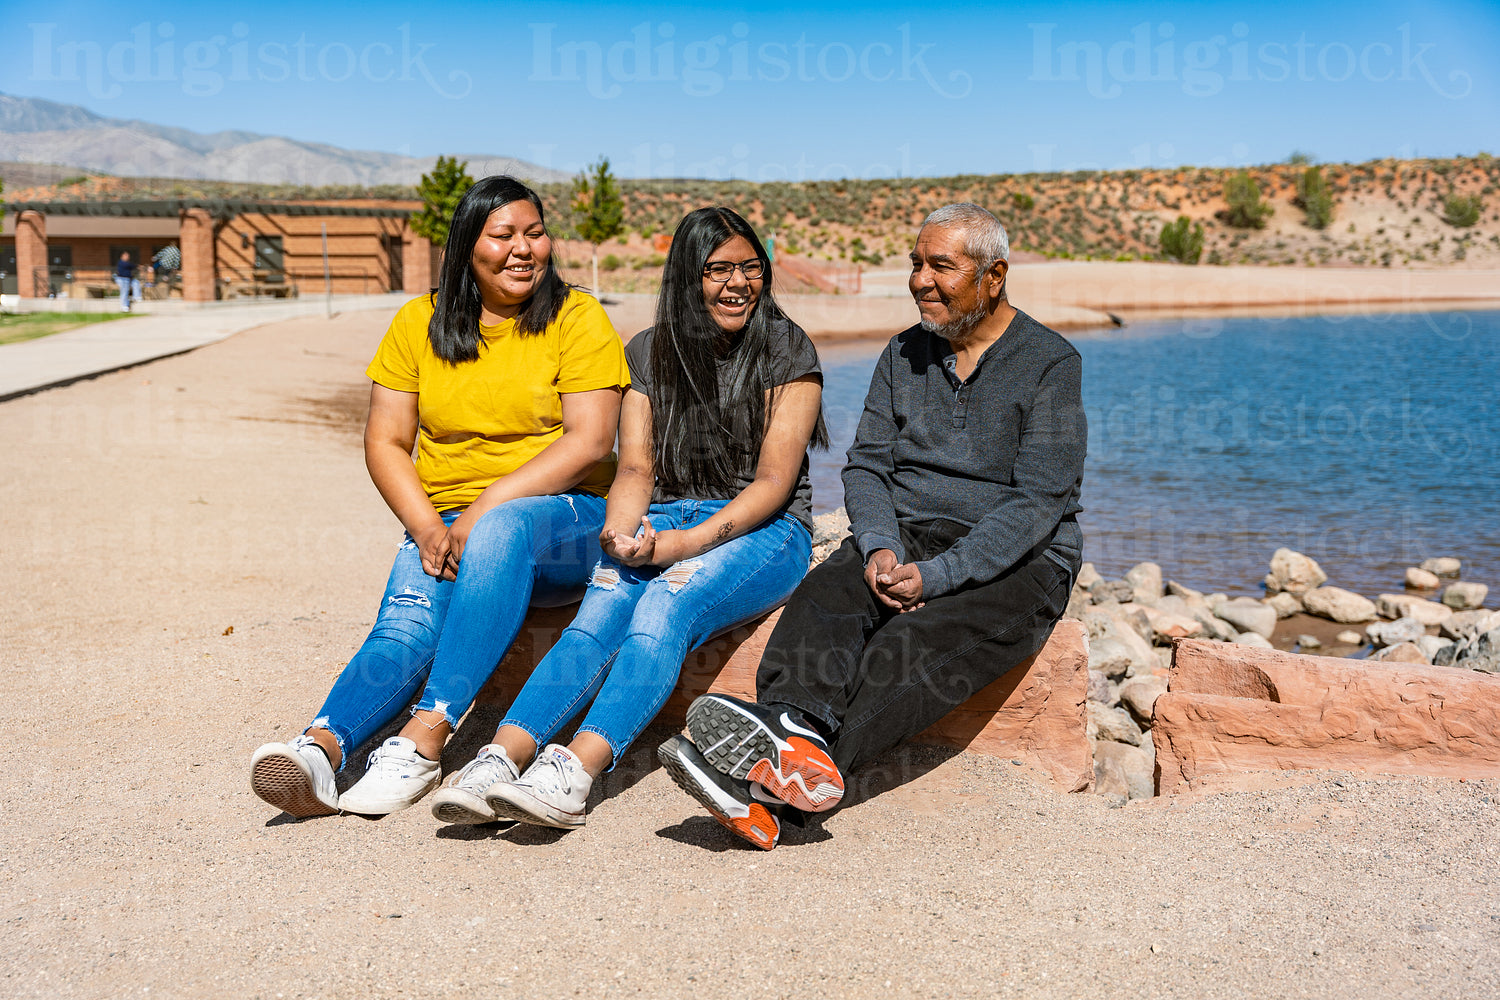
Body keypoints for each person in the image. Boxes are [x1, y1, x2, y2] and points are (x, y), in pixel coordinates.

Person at [661, 203, 1087, 850]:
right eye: (915, 264)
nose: (919, 280)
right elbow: (866, 468)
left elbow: (1036, 503)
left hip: (1025, 560)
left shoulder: (1051, 363)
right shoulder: (902, 354)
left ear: (995, 276)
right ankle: (787, 728)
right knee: (829, 593)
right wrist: (883, 547)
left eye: (940, 266)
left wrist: (938, 577)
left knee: (909, 650)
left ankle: (765, 791)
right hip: (912, 530)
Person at [429, 206, 827, 831]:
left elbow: (775, 483)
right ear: (685, 278)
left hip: (766, 532)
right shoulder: (647, 351)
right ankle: (505, 755)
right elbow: (636, 469)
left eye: (751, 268)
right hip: (666, 515)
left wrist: (686, 544)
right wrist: (622, 530)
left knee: (667, 602)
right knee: (602, 604)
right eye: (717, 270)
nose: (738, 283)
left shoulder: (785, 347)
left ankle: (575, 771)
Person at [249, 176, 629, 818]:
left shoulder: (577, 317)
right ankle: (321, 746)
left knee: (504, 529)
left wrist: (482, 512)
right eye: (503, 235)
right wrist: (426, 525)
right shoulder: (418, 322)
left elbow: (589, 444)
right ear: (465, 247)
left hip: (568, 520)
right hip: (449, 521)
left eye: (534, 234)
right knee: (407, 621)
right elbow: (386, 441)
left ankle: (425, 738)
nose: (523, 249)